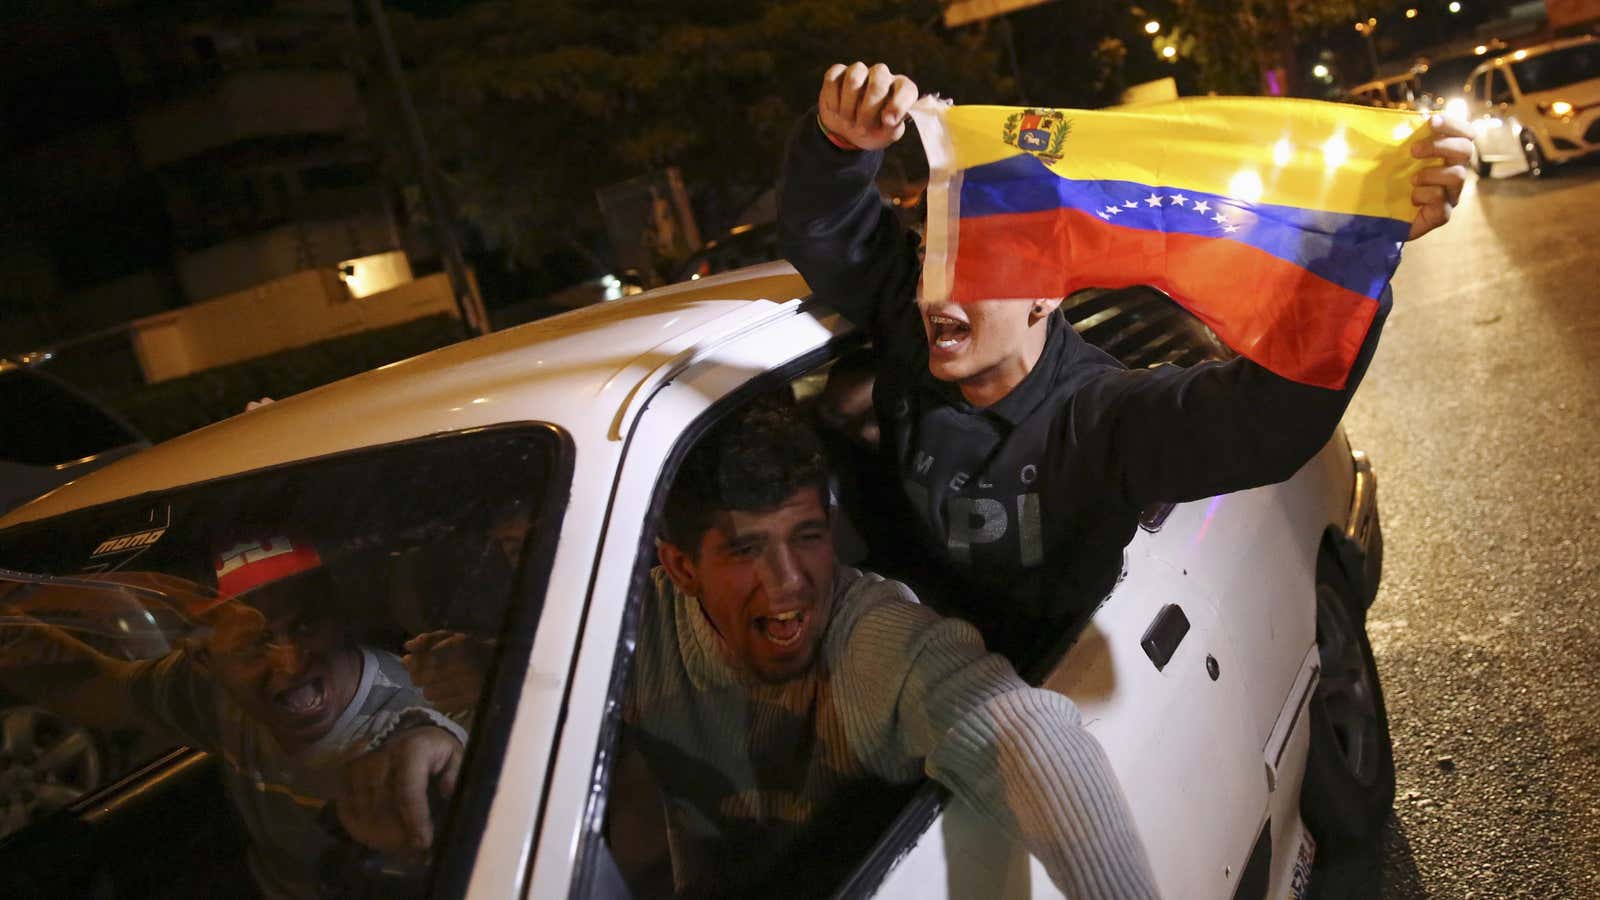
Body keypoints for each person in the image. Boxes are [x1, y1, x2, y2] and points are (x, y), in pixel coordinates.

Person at [778, 62, 1475, 654]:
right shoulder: (915, 326)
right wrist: (839, 141)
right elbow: (829, 229)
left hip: (1053, 695)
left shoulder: (1098, 418)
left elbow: (1265, 423)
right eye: (932, 260)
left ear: (1044, 297)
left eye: (976, 270)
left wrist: (1356, 259)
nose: (936, 293)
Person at [611, 403, 1159, 899]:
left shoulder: (869, 633)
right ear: (681, 568)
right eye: (746, 550)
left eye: (806, 536)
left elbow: (1023, 732)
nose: (790, 583)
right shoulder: (630, 632)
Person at [0, 535, 464, 900]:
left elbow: (445, 752)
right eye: (255, 642)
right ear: (204, 660)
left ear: (339, 617)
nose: (292, 662)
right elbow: (100, 688)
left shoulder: (416, 716)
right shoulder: (211, 692)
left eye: (306, 625)